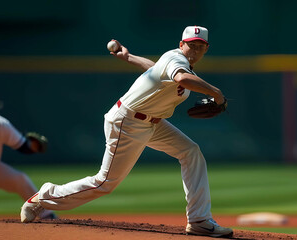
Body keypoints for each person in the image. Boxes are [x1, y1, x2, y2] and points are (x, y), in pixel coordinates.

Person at [20, 26, 233, 237]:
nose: (195, 49)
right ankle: (43, 197)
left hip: (153, 123)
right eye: (191, 45)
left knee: (191, 152)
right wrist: (217, 93)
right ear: (181, 45)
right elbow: (180, 78)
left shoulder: (177, 63)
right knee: (104, 183)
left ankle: (199, 220)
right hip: (128, 122)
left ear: (206, 49)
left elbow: (155, 68)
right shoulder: (176, 59)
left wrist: (129, 57)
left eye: (200, 46)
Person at [0, 88, 57, 220]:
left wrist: (33, 147)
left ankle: (47, 215)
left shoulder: (0, 124)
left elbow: (22, 146)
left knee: (20, 179)